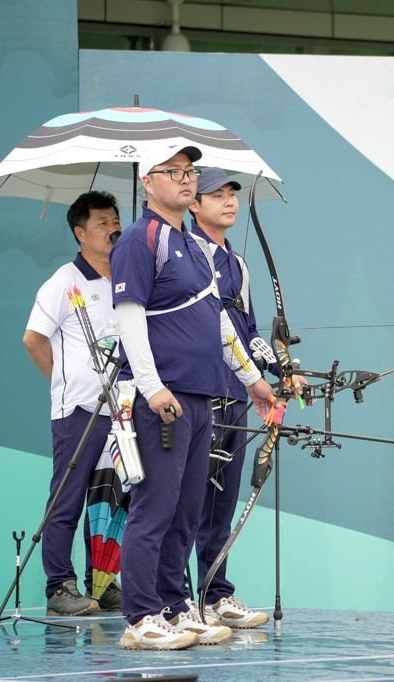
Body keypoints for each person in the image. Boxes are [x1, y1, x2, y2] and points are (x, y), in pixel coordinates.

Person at [110, 143, 278, 651]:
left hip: (203, 396)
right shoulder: (142, 239)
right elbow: (129, 316)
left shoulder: (190, 244)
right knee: (155, 507)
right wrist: (152, 386)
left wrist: (250, 378)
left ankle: (173, 606)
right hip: (167, 396)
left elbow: (220, 324)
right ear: (148, 182)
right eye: (174, 172)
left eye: (191, 172)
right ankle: (141, 617)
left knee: (185, 509)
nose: (187, 180)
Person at [23, 191, 123, 616]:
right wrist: (65, 381)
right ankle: (58, 586)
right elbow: (33, 339)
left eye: (115, 220)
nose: (112, 228)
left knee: (110, 499)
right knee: (67, 499)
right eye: (102, 222)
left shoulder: (127, 277)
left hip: (124, 410)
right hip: (79, 411)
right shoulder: (64, 280)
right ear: (80, 233)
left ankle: (102, 582)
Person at [188, 167, 276, 628]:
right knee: (190, 500)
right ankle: (183, 598)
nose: (228, 202)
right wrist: (253, 376)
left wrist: (280, 368)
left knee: (223, 502)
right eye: (215, 195)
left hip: (237, 397)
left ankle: (216, 593)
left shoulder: (237, 264)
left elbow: (250, 329)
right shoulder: (188, 254)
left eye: (231, 195)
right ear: (193, 204)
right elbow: (211, 327)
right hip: (201, 394)